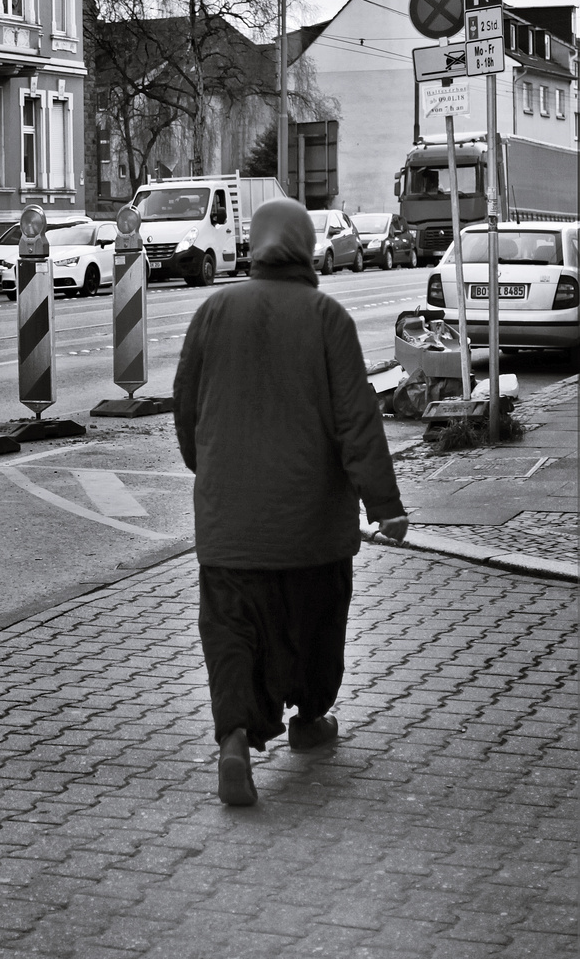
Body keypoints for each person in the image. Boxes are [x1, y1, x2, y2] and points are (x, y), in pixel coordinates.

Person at [173, 198, 408, 807]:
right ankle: (307, 721)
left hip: (230, 530)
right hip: (311, 530)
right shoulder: (327, 317)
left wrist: (210, 469)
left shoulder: (214, 310)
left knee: (231, 634)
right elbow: (358, 421)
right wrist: (384, 505)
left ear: (254, 245)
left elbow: (186, 407)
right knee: (315, 624)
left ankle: (233, 740)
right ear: (306, 247)